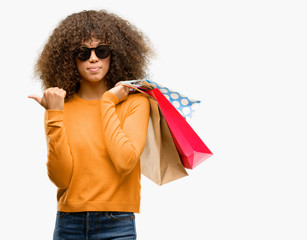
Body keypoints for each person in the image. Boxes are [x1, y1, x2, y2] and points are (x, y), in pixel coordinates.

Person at [28, 9, 153, 240]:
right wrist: (54, 114)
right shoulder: (59, 106)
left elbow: (125, 162)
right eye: (83, 52)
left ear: (115, 54)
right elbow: (61, 179)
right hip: (68, 223)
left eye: (101, 50)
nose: (93, 58)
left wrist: (108, 101)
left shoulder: (135, 102)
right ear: (69, 57)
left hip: (118, 222)